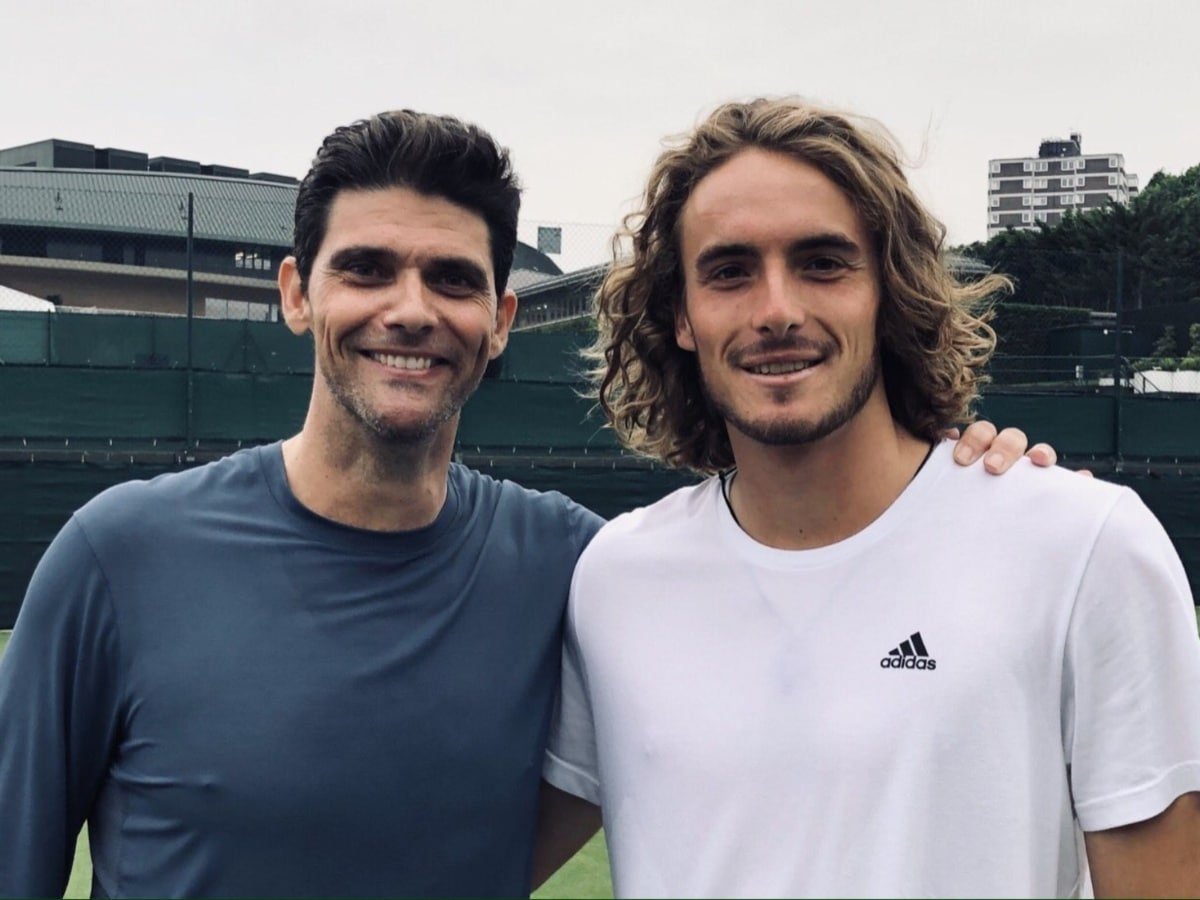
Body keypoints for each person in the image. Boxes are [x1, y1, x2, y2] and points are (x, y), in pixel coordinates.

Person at [0, 109, 1038, 898]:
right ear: (296, 293)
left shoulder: (586, 572)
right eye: (366, 269)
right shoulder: (117, 560)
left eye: (451, 280)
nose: (410, 309)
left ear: (499, 319)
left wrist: (965, 481)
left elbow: (823, 592)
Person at [541, 98, 1200, 898]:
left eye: (823, 263)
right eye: (729, 271)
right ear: (681, 314)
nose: (777, 310)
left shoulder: (1083, 545)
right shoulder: (616, 577)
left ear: (887, 289)